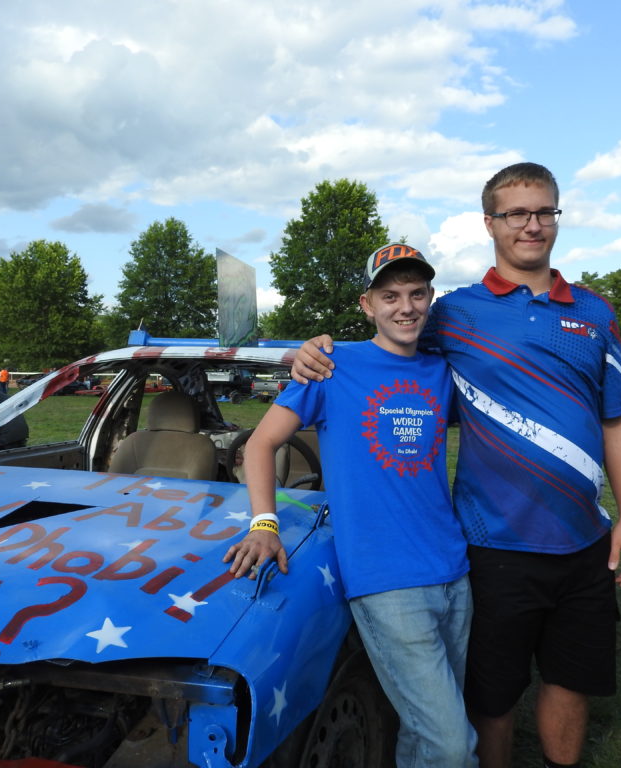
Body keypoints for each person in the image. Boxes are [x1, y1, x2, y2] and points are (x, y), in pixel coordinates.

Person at [292, 162, 621, 768]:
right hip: (493, 543)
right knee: (492, 695)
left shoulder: (594, 312)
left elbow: (617, 418)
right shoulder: (454, 312)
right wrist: (311, 349)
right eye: (516, 213)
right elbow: (385, 345)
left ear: (556, 217)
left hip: (585, 540)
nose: (531, 225)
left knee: (571, 679)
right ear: (491, 223)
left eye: (544, 212)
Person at [224, 244, 478, 768]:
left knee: (428, 728)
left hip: (454, 569)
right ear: (367, 305)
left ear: (430, 299)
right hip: (385, 579)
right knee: (453, 746)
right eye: (390, 296)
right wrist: (264, 523)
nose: (405, 307)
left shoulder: (441, 371)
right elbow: (259, 444)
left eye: (416, 294)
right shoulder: (330, 365)